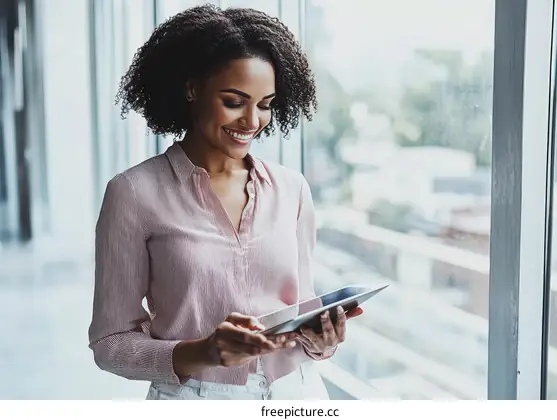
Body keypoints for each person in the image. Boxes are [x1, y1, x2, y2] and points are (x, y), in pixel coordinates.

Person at [88, 4, 363, 400]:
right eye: (234, 101)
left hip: (296, 394)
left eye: (266, 104)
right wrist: (205, 351)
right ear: (191, 88)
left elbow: (301, 313)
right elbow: (110, 343)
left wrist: (322, 341)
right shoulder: (133, 193)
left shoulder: (292, 190)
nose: (253, 121)